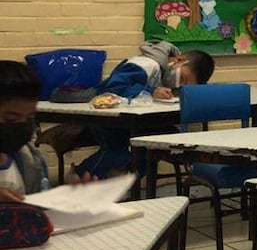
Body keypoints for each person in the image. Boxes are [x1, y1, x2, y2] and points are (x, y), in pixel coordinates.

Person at [0, 60, 107, 250]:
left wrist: (70, 203)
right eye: (11, 119)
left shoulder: (28, 159)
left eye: (28, 119)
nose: (21, 128)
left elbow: (39, 215)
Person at [74, 41, 215, 179]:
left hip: (134, 122)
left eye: (184, 85)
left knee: (154, 145)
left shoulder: (165, 73)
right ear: (179, 60)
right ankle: (77, 178)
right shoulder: (146, 64)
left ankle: (123, 181)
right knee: (117, 152)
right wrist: (151, 91)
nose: (179, 84)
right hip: (108, 120)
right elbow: (114, 87)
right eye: (183, 78)